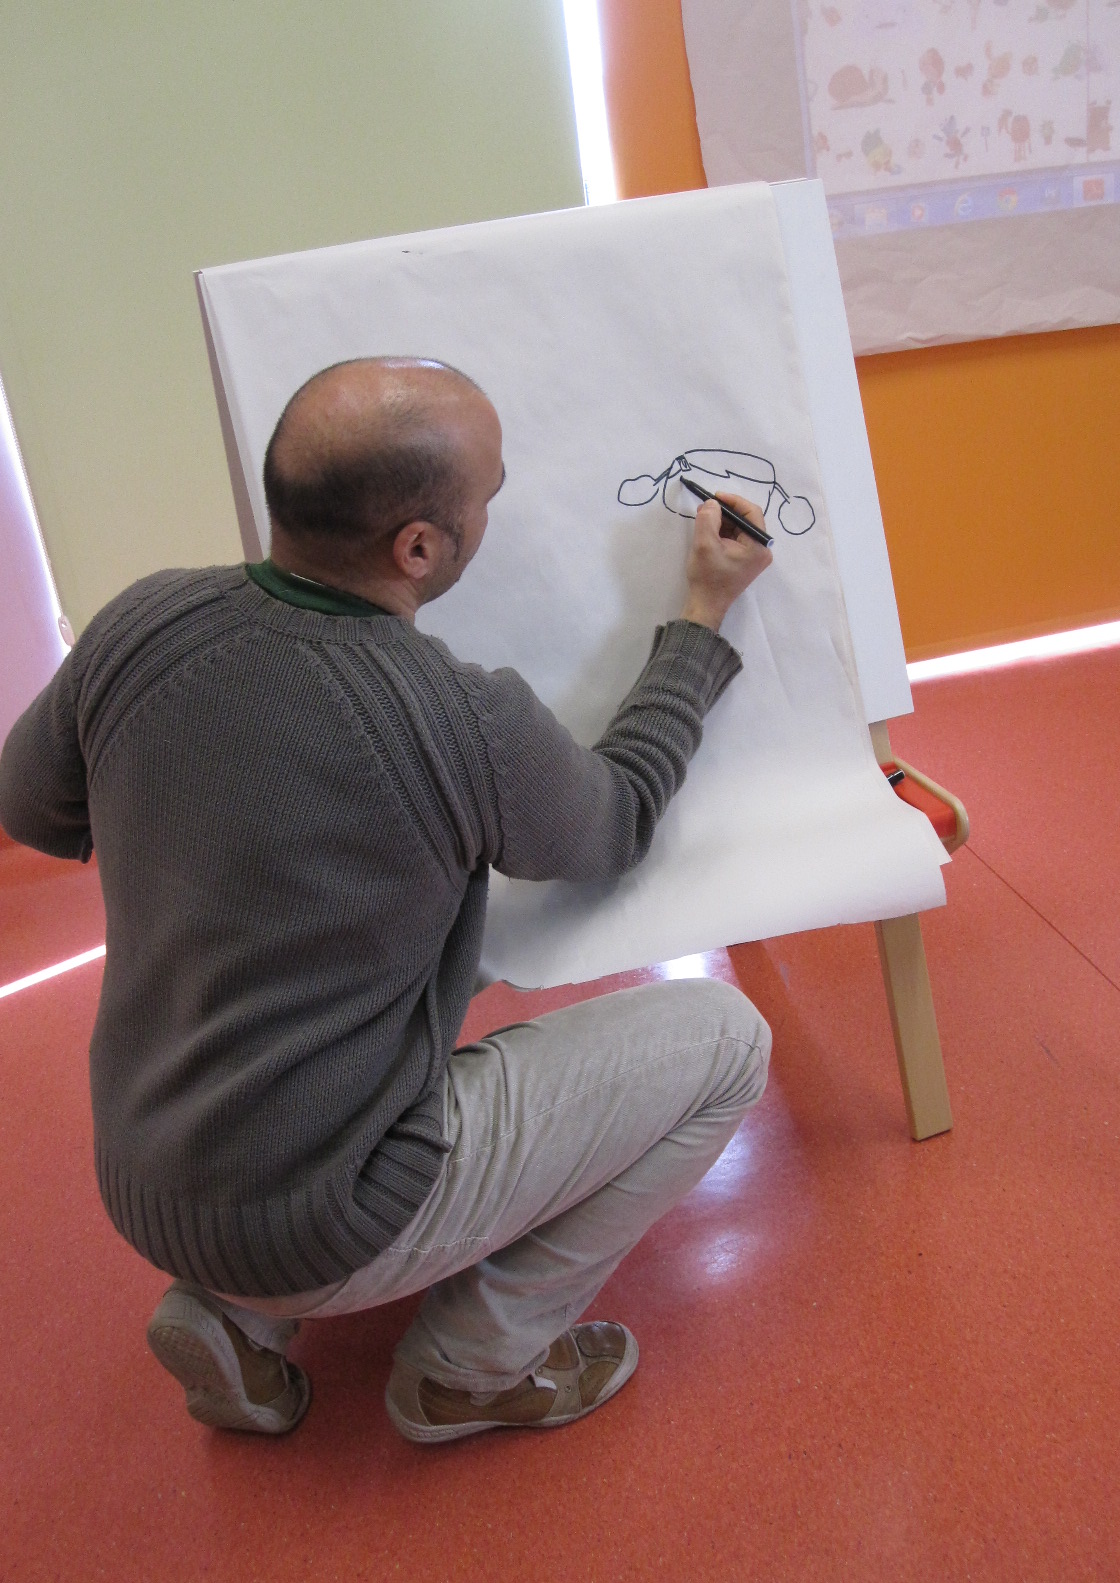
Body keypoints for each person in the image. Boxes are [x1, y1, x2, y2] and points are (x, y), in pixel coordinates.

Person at [0, 357, 773, 1444]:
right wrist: (702, 614)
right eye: (490, 494)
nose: (497, 509)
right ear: (417, 547)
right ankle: (473, 1367)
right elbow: (619, 819)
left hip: (146, 1177)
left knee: (438, 939)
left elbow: (31, 811)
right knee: (729, 1042)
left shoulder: (142, 620)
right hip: (332, 1215)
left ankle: (232, 1313)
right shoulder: (460, 720)